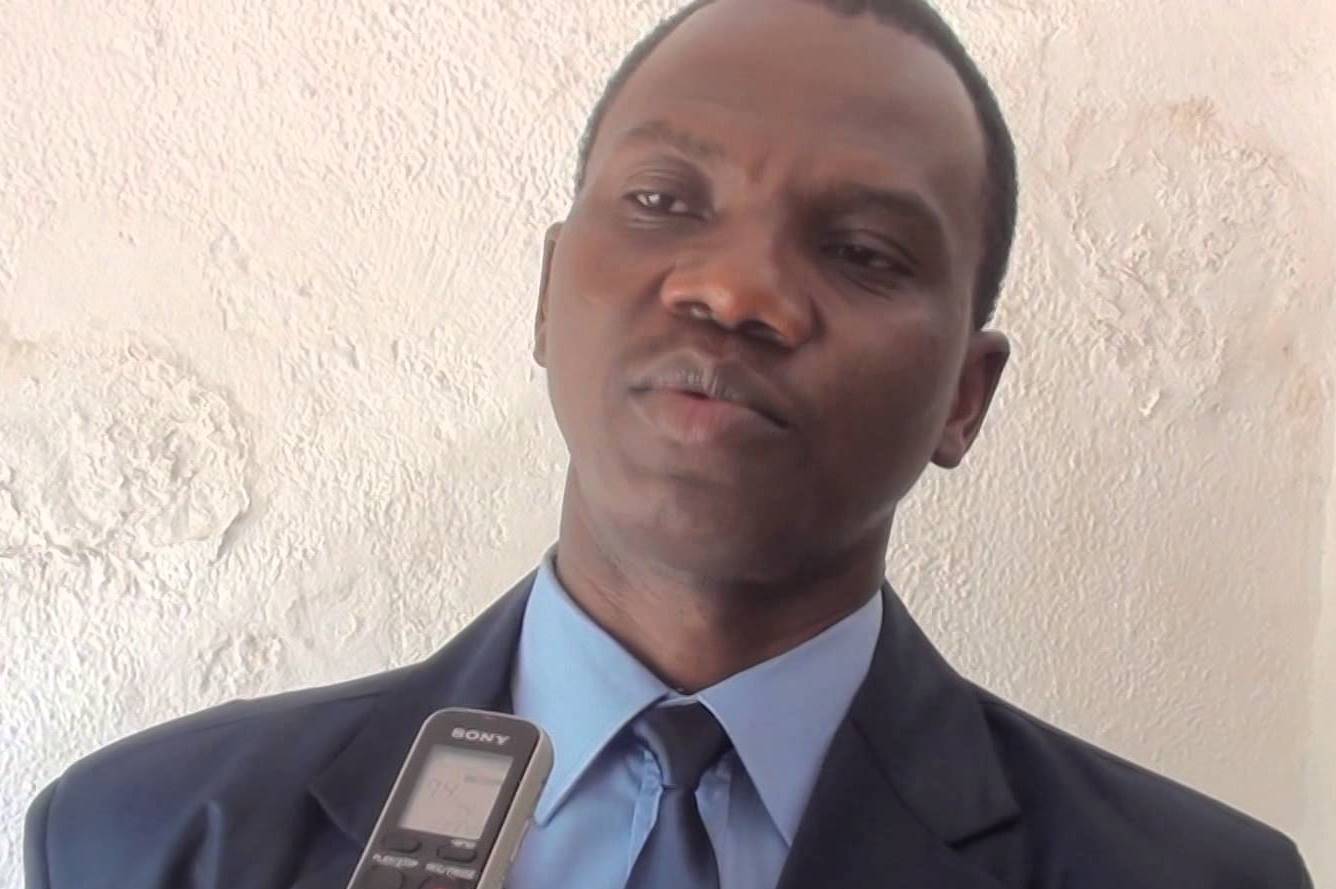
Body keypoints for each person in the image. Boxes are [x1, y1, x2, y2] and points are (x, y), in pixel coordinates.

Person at [24, 0, 1313, 887]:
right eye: (661, 200)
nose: (736, 291)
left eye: (864, 251)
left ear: (965, 401)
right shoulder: (144, 843)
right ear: (547, 296)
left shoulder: (1194, 881)